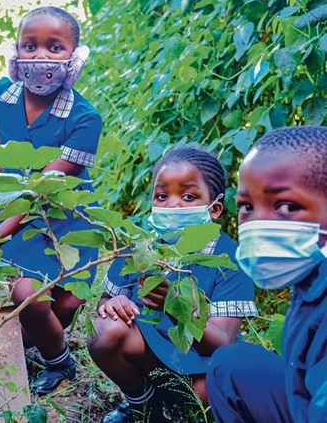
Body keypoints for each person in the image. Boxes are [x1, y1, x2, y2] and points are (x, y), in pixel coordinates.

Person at [0, 6, 102, 395]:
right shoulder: (6, 92)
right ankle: (59, 362)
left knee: (64, 306)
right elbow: (1, 130)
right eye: (29, 46)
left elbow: (42, 188)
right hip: (18, 217)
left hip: (63, 218)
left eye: (55, 47)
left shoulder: (85, 118)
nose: (41, 58)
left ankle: (42, 341)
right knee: (29, 295)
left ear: (75, 56)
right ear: (16, 51)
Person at [87, 147, 258, 423]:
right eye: (162, 196)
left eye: (188, 196)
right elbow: (105, 302)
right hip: (147, 354)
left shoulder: (229, 260)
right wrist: (113, 305)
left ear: (214, 209)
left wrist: (176, 305)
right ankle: (143, 406)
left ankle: (180, 408)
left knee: (212, 394)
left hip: (199, 366)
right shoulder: (143, 247)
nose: (173, 205)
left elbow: (221, 344)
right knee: (103, 331)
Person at [206, 126, 327, 423]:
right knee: (230, 365)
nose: (258, 223)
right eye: (247, 206)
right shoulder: (312, 275)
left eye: (286, 206)